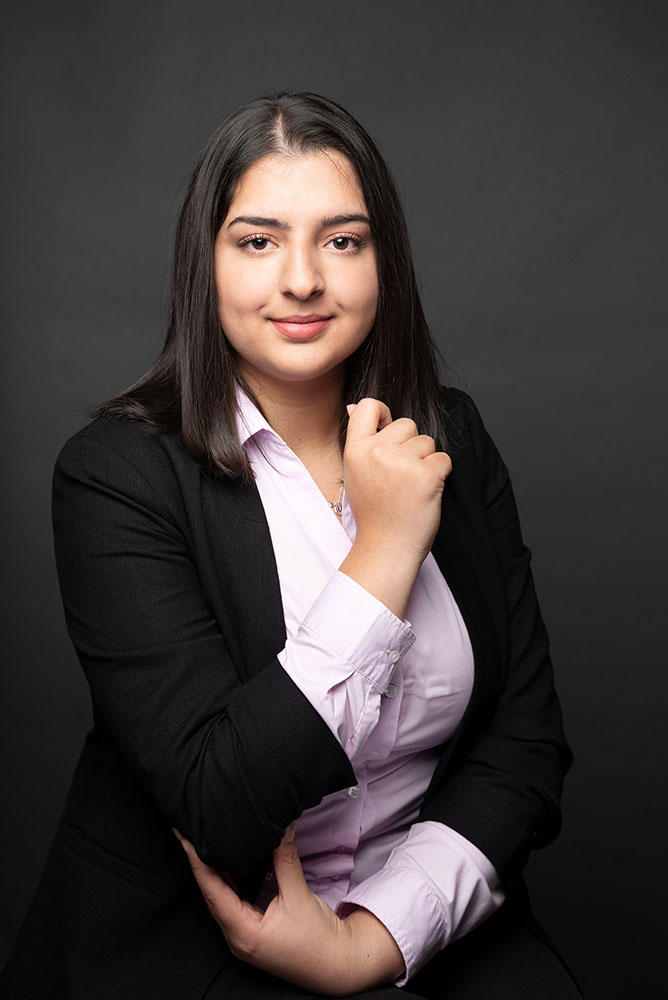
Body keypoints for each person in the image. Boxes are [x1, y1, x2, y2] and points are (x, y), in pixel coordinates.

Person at [0, 92, 582, 1000]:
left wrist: (376, 940)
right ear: (206, 264)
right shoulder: (114, 475)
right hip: (204, 943)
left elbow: (525, 747)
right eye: (258, 241)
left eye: (342, 240)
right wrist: (384, 551)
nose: (303, 279)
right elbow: (219, 800)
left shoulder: (452, 439)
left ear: (384, 261)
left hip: (430, 929)